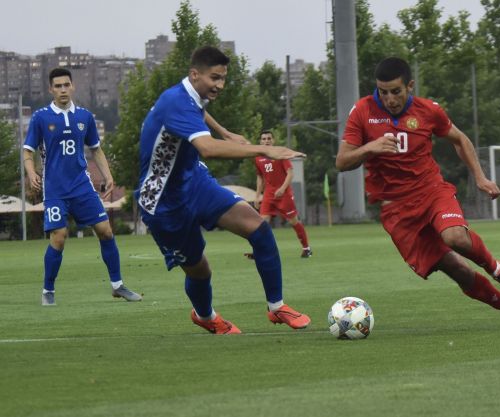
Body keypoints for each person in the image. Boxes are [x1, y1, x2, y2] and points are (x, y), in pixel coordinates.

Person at [336, 57, 500, 329]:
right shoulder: (362, 111)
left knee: (455, 236)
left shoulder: (428, 110)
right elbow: (342, 162)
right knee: (458, 271)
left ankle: (498, 269)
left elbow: (460, 139)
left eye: (395, 91)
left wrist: (480, 177)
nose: (389, 99)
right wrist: (370, 147)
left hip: (431, 191)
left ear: (409, 86)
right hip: (397, 212)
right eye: (382, 92)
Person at [136, 46, 311, 334]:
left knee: (259, 229)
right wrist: (266, 150)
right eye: (214, 78)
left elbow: (200, 114)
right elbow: (207, 148)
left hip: (194, 181)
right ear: (195, 74)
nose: (219, 85)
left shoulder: (191, 94)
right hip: (163, 201)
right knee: (200, 269)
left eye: (223, 78)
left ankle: (277, 307)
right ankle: (205, 316)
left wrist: (226, 132)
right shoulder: (175, 101)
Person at [24, 67, 142, 306]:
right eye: (57, 86)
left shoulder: (85, 117)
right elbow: (28, 151)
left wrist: (108, 175)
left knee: (106, 231)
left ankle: (118, 286)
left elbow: (95, 149)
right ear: (50, 89)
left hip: (82, 186)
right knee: (59, 237)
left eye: (66, 84)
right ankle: (48, 291)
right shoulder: (41, 117)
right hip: (55, 188)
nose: (63, 89)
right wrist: (30, 172)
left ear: (73, 86)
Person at [244, 130, 311, 259]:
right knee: (261, 223)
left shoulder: (279, 154)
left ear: (273, 141)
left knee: (293, 222)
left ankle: (306, 248)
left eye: (269, 138)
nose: (266, 141)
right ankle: (258, 251)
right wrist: (257, 196)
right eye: (263, 139)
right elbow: (260, 178)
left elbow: (290, 173)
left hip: (284, 195)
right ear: (260, 141)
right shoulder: (257, 158)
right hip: (269, 195)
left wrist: (282, 188)